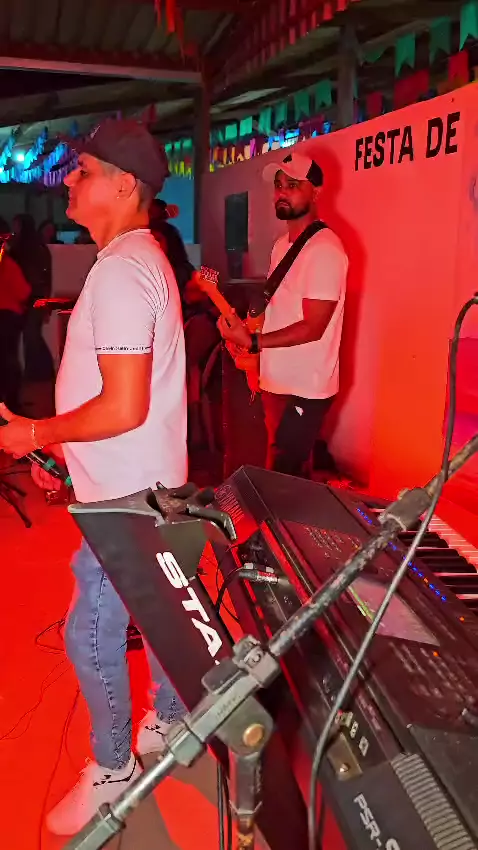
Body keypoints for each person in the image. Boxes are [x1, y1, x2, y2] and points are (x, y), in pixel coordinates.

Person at [0, 118, 188, 835]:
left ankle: (113, 770)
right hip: (132, 483)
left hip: (126, 496)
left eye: (82, 171)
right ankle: (172, 718)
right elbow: (128, 406)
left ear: (125, 184)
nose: (68, 183)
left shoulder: (122, 271)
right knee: (158, 613)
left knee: (90, 631)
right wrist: (64, 458)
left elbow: (122, 405)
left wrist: (34, 434)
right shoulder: (138, 259)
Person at [218, 151, 348, 477]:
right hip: (277, 380)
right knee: (277, 472)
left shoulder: (324, 250)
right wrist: (245, 332)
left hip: (304, 387)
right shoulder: (282, 245)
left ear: (316, 191)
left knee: (286, 477)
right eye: (278, 185)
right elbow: (279, 308)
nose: (282, 193)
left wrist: (253, 342)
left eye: (293, 185)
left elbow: (314, 326)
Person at [150, 198, 219, 445]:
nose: (153, 245)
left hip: (191, 333)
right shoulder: (160, 271)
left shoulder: (180, 272)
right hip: (182, 336)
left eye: (158, 241)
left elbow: (200, 297)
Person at [10, 213, 55, 383]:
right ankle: (40, 371)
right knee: (32, 335)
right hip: (35, 295)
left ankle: (37, 372)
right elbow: (47, 276)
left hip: (27, 296)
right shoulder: (39, 247)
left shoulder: (20, 249)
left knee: (30, 336)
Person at [0, 219, 31, 412]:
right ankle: (11, 404)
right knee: (9, 360)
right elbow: (23, 291)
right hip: (8, 317)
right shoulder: (8, 264)